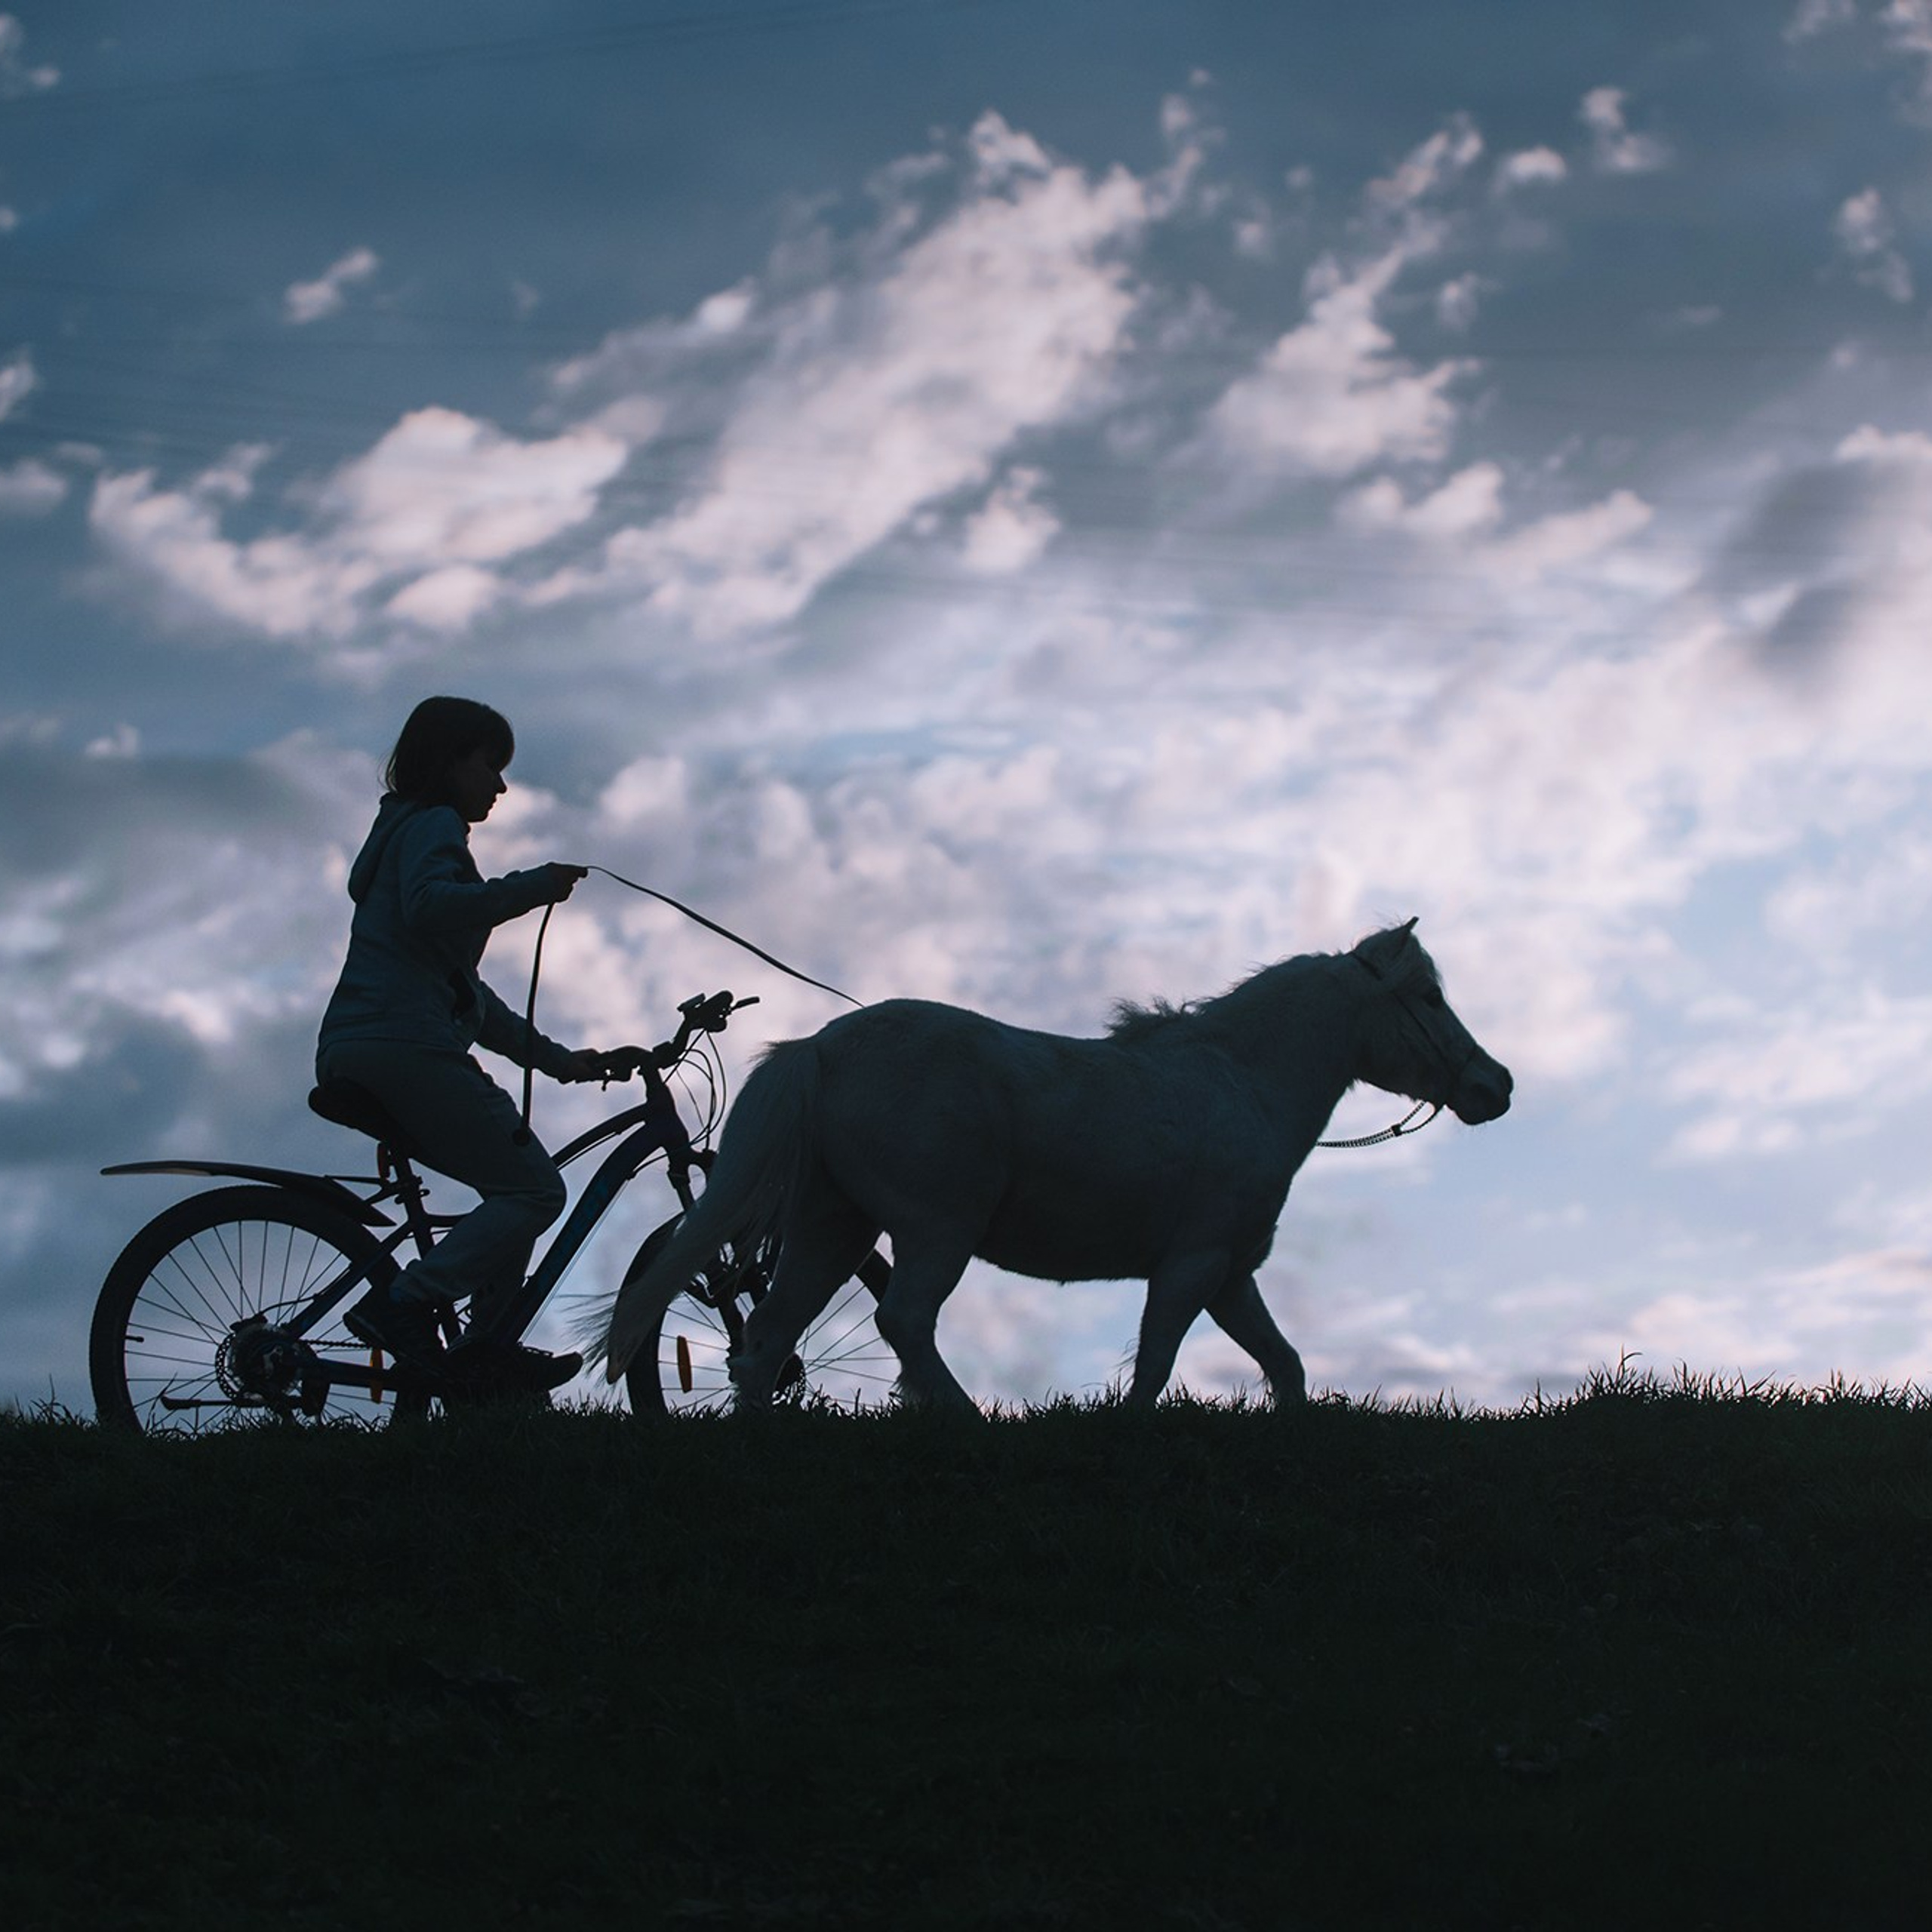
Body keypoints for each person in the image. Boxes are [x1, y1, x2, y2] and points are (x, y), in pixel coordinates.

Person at [316, 696, 624, 1387]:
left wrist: (562, 1063)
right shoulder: (433, 825)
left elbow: (468, 998)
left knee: (509, 1192)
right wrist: (529, 889)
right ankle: (405, 1303)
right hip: (404, 1044)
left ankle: (482, 1354)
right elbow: (432, 909)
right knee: (538, 1192)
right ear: (449, 762)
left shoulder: (403, 834)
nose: (501, 786)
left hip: (364, 1042)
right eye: (491, 765)